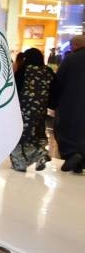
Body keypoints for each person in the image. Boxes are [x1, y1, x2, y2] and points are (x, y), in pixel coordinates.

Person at [10, 47, 54, 172]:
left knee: (19, 135)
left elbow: (15, 88)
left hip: (23, 109)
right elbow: (55, 90)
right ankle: (40, 154)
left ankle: (20, 163)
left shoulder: (24, 70)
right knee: (35, 134)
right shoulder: (48, 71)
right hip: (40, 110)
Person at [49, 34, 85, 174]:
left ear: (75, 45)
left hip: (70, 103)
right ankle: (80, 161)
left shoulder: (70, 59)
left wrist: (53, 102)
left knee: (66, 128)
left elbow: (58, 82)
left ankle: (71, 154)